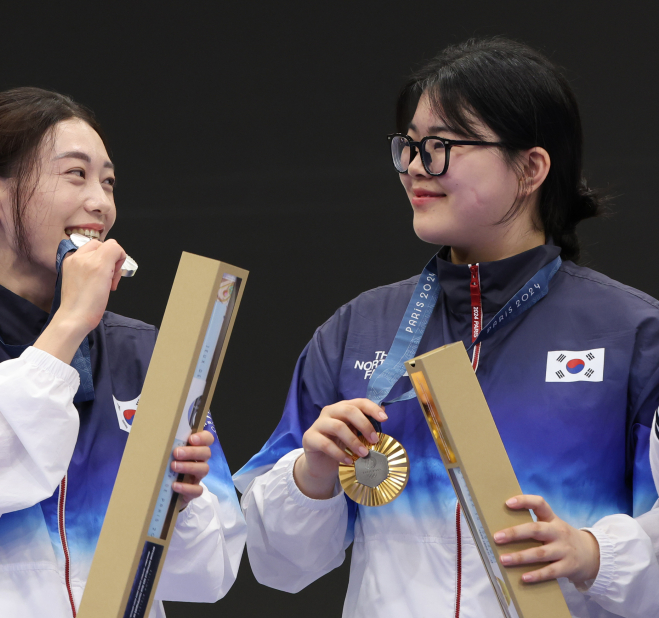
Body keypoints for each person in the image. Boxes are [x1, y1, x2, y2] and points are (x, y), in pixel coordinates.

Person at [234, 38, 659, 618]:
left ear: (531, 167)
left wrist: (592, 554)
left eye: (441, 146)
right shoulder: (358, 329)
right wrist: (312, 475)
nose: (414, 166)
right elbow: (278, 564)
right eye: (409, 146)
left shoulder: (634, 334)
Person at [0, 87, 245, 618]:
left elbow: (208, 575)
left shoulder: (147, 351)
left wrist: (184, 501)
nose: (101, 202)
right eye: (75, 175)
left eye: (108, 181)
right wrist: (68, 324)